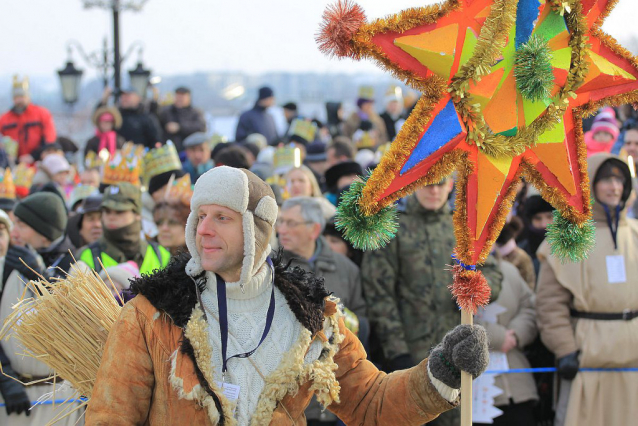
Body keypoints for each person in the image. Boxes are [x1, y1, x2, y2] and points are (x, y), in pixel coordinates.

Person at [86, 166, 490, 425]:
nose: (203, 229)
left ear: (255, 232)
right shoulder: (151, 315)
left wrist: (438, 373)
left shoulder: (310, 317)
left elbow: (371, 402)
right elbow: (111, 418)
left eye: (222, 218)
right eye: (200, 216)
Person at [361, 178, 502, 426]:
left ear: (450, 186)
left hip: (455, 350)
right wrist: (397, 351)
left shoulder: (465, 227)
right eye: (428, 184)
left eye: (441, 184)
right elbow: (379, 294)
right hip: (411, 354)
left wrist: (475, 288)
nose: (434, 191)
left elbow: (493, 273)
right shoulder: (393, 227)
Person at [536, 153, 638, 426]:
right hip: (585, 359)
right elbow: (549, 304)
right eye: (606, 180)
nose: (614, 187)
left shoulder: (636, 234)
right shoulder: (569, 239)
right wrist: (565, 349)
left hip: (633, 361)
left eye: (620, 180)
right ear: (590, 184)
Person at [0, 210, 82, 425]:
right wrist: (5, 379)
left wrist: (39, 279)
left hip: (60, 400)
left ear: (43, 232)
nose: (15, 233)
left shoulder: (76, 268)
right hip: (14, 398)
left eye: (22, 225)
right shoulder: (7, 267)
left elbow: (75, 327)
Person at [476, 259, 539, 426]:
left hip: (517, 387)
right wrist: (496, 337)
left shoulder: (509, 270)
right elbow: (446, 317)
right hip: (473, 393)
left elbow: (531, 308)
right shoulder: (448, 270)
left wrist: (515, 335)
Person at [76, 182, 170, 275]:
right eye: (107, 211)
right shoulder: (87, 256)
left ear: (137, 214)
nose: (111, 217)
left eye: (119, 212)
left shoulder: (160, 254)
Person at [9, 191, 74, 278]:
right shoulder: (13, 257)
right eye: (14, 224)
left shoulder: (73, 266)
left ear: (44, 235)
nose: (13, 233)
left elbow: (66, 291)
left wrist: (39, 275)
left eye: (21, 226)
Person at [0, 76, 56, 164]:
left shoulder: (41, 113)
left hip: (38, 162)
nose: (19, 100)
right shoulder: (4, 119)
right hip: (12, 163)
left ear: (28, 97)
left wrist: (33, 156)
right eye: (16, 97)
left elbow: (49, 139)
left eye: (22, 96)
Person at [98, 87, 162, 149]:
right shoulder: (116, 115)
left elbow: (155, 140)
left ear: (138, 98)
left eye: (128, 96)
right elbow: (99, 118)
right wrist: (104, 100)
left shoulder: (147, 117)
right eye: (122, 96)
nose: (124, 98)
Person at [159, 87, 207, 152]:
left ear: (189, 97)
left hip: (189, 151)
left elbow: (201, 127)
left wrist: (180, 127)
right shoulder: (166, 111)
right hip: (169, 151)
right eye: (178, 96)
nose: (179, 99)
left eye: (182, 96)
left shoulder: (195, 113)